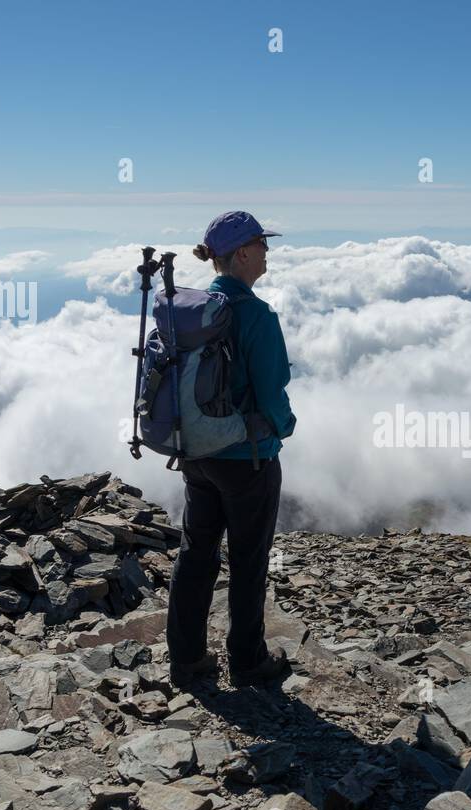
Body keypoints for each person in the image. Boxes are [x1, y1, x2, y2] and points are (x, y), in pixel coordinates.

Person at [165, 210, 297, 689]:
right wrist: (285, 427)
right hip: (247, 458)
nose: (267, 250)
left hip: (196, 452)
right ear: (242, 252)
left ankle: (187, 661)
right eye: (262, 242)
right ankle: (247, 661)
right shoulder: (255, 315)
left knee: (196, 552)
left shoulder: (191, 309)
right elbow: (271, 390)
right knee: (249, 559)